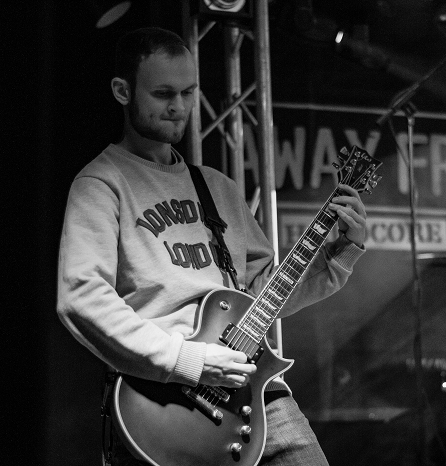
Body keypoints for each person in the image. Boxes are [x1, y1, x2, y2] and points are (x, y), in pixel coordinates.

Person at [56, 27, 367, 466]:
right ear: (122, 91)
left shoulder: (218, 188)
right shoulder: (101, 183)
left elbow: (263, 295)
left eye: (188, 92)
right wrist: (189, 360)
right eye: (163, 93)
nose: (179, 107)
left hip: (255, 390)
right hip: (164, 398)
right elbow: (81, 298)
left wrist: (343, 252)